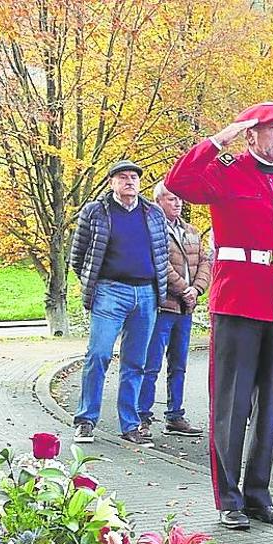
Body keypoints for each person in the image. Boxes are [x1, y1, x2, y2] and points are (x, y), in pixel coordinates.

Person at [165, 102, 273, 531]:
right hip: (238, 303)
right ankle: (228, 497)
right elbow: (180, 181)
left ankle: (258, 494)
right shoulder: (226, 172)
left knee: (270, 406)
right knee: (231, 404)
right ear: (251, 135)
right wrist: (220, 137)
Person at [70, 160, 169, 446]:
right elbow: (78, 256)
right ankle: (86, 420)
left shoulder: (153, 213)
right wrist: (94, 282)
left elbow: (161, 253)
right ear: (111, 182)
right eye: (123, 177)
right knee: (98, 354)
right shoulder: (95, 212)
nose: (130, 182)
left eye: (134, 177)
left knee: (135, 362)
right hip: (110, 292)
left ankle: (130, 424)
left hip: (146, 294)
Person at [136, 180, 209, 442]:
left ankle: (175, 415)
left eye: (179, 198)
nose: (177, 202)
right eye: (170, 198)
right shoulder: (152, 230)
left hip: (185, 309)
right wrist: (184, 289)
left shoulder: (192, 231)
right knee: (151, 363)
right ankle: (142, 416)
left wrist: (196, 290)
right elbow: (160, 265)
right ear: (158, 202)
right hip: (163, 306)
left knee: (179, 364)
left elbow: (204, 262)